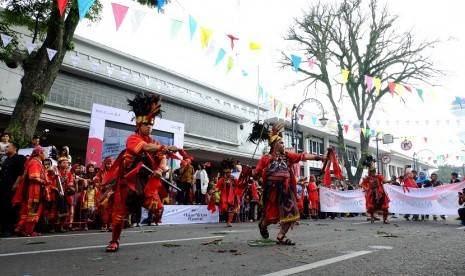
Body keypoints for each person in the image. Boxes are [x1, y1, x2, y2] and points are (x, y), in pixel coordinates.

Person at [102, 92, 181, 252]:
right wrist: (164, 147)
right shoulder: (133, 138)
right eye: (147, 124)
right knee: (119, 216)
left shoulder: (156, 142)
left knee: (158, 210)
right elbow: (146, 148)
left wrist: (160, 168)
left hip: (146, 183)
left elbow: (163, 159)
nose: (150, 127)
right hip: (128, 182)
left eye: (152, 125)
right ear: (139, 125)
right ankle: (114, 240)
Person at [247, 121, 325, 245]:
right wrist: (254, 173)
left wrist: (319, 158)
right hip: (272, 190)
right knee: (271, 217)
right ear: (274, 144)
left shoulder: (288, 156)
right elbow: (257, 173)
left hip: (286, 189)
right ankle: (263, 224)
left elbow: (302, 156)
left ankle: (281, 236)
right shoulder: (266, 158)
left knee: (292, 213)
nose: (284, 144)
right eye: (281, 142)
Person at [13, 146, 50, 237]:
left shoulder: (34, 162)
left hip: (32, 191)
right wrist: (45, 182)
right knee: (33, 211)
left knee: (27, 211)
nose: (45, 154)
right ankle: (28, 231)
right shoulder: (35, 163)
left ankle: (20, 228)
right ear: (40, 153)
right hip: (34, 192)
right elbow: (33, 177)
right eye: (44, 152)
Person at [0, 142, 26, 237]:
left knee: (8, 207)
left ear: (14, 148)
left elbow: (21, 173)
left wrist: (16, 184)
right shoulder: (6, 160)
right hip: (3, 186)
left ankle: (9, 229)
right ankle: (3, 228)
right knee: (2, 207)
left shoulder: (20, 158)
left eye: (8, 147)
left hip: (12, 186)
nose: (6, 148)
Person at [360, 156, 391, 224]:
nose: (374, 172)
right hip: (372, 193)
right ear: (369, 172)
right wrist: (366, 188)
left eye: (374, 170)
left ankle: (385, 219)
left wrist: (388, 181)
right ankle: (372, 217)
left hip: (380, 192)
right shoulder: (367, 178)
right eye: (372, 171)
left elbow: (383, 181)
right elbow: (362, 184)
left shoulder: (378, 176)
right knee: (371, 207)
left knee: (384, 207)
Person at [216, 159, 241, 227]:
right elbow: (218, 187)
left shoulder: (233, 178)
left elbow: (238, 185)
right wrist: (215, 191)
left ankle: (229, 222)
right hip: (224, 196)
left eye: (230, 172)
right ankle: (226, 219)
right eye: (228, 173)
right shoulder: (222, 179)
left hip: (232, 196)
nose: (229, 174)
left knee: (231, 209)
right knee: (224, 208)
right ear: (225, 173)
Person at [94, 157, 114, 231]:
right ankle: (104, 225)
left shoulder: (116, 171)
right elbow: (96, 181)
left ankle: (111, 225)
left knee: (113, 209)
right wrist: (101, 186)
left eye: (110, 164)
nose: (109, 165)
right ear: (105, 164)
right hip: (104, 193)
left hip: (113, 193)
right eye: (107, 164)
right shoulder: (101, 172)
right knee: (104, 210)